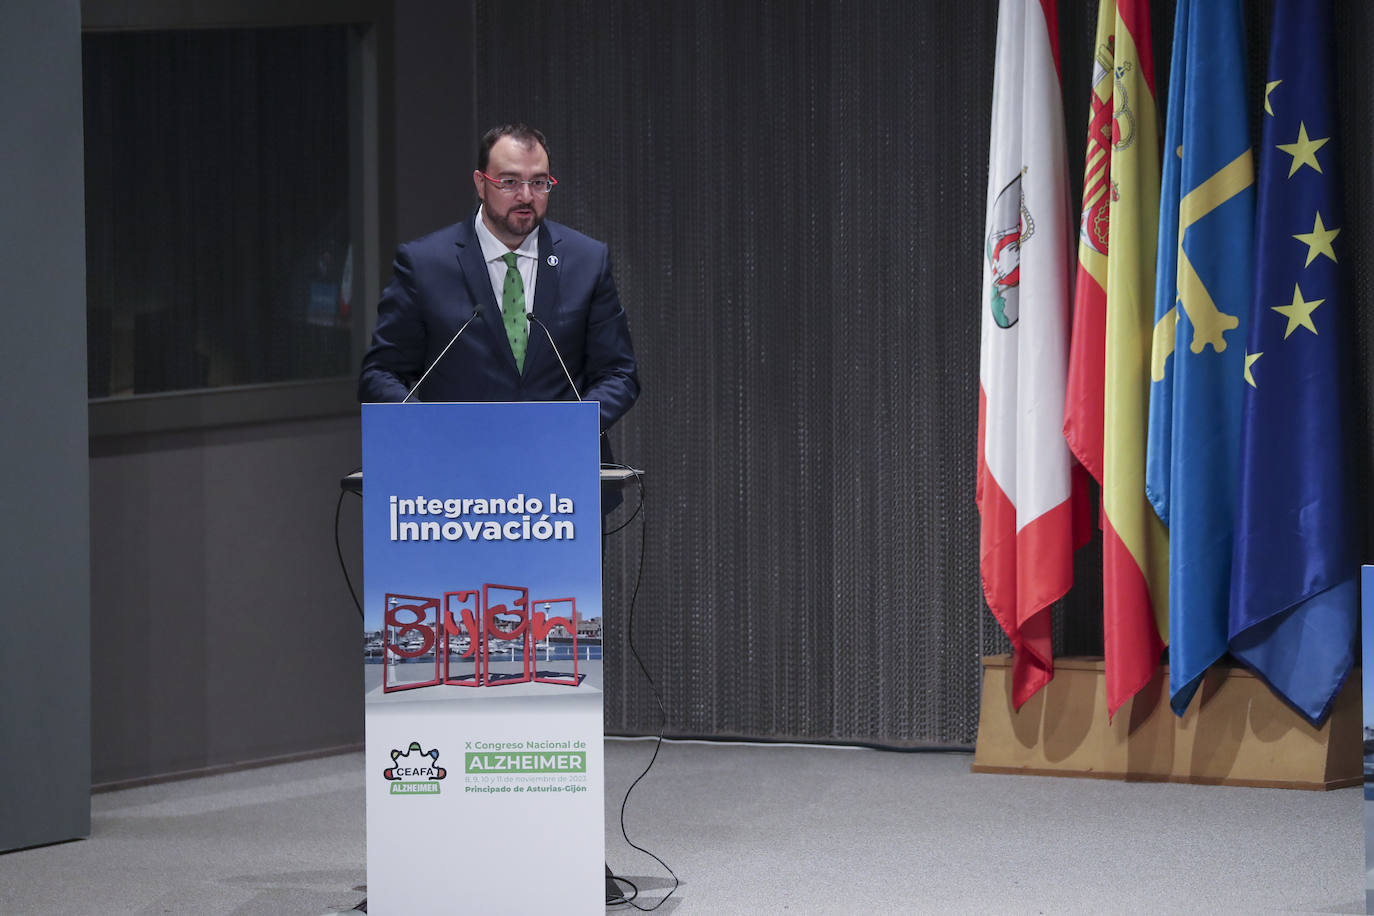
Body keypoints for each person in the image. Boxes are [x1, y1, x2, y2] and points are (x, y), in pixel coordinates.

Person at [358, 124, 639, 463]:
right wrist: (429, 428)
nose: (525, 196)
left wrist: (571, 428)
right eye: (509, 182)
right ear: (481, 184)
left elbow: (619, 374)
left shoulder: (586, 261)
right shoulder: (425, 265)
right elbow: (381, 375)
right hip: (455, 473)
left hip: (563, 476)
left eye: (538, 182)